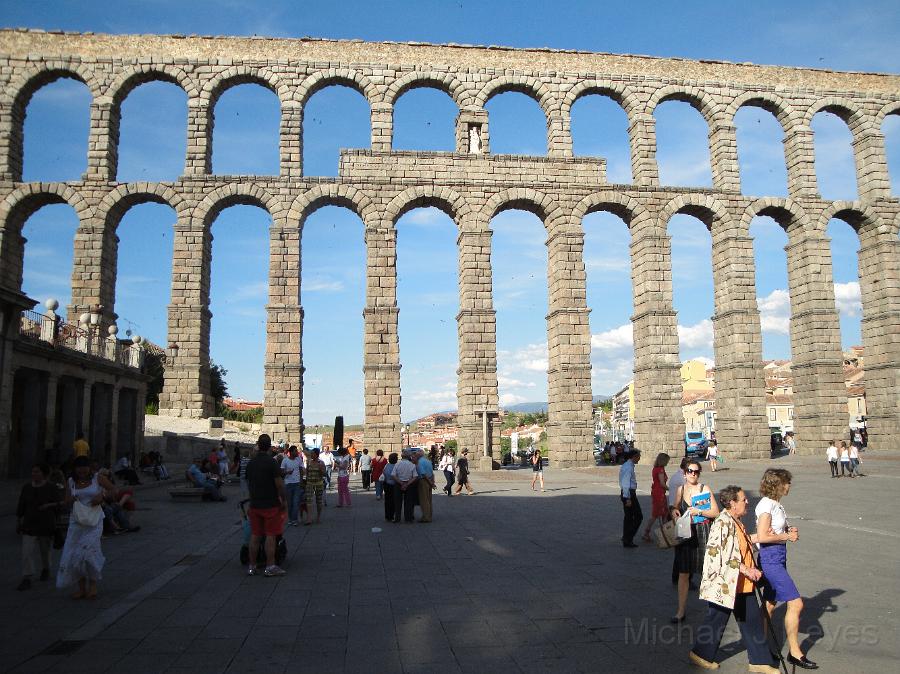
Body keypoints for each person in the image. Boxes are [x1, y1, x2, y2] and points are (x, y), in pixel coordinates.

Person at [689, 485, 779, 674]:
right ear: (732, 503)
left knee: (751, 621)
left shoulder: (736, 521)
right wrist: (747, 569)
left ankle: (759, 661)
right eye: (743, 499)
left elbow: (742, 543)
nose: (747, 501)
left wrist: (764, 536)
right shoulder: (723, 522)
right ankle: (700, 654)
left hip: (740, 583)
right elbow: (718, 554)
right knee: (716, 619)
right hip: (727, 583)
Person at [755, 469, 817, 670]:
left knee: (770, 603)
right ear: (778, 484)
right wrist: (785, 537)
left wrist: (787, 531)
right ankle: (794, 652)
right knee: (796, 604)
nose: (789, 486)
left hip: (778, 557)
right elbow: (763, 537)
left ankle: (761, 646)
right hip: (771, 558)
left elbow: (772, 531)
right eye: (787, 482)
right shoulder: (766, 505)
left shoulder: (775, 504)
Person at [57, 456, 117, 599]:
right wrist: (70, 500)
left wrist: (102, 496)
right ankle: (81, 588)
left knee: (88, 552)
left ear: (89, 468)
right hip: (77, 522)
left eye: (84, 466)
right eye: (79, 467)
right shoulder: (71, 481)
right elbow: (66, 501)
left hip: (94, 521)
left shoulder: (98, 478)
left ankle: (93, 585)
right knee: (75, 555)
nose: (82, 470)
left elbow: (113, 490)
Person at [671, 459, 718, 622]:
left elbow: (715, 512)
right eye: (690, 471)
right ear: (684, 473)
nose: (693, 474)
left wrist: (700, 511)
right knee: (683, 573)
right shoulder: (680, 489)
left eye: (696, 472)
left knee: (707, 572)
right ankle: (681, 610)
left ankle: (712, 610)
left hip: (703, 532)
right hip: (685, 534)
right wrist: (674, 512)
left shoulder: (705, 489)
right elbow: (675, 507)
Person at [244, 434, 287, 576]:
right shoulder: (271, 462)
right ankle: (270, 566)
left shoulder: (251, 463)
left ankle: (252, 566)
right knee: (270, 535)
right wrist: (283, 500)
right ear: (269, 446)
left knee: (255, 535)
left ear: (258, 444)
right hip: (270, 504)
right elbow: (279, 484)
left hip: (255, 504)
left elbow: (248, 484)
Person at [17, 464, 62, 591]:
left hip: (45, 523)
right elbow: (22, 504)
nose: (34, 474)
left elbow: (59, 504)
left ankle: (46, 568)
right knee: (26, 551)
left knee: (44, 550)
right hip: (29, 524)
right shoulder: (27, 487)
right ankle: (27, 576)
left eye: (37, 472)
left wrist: (48, 506)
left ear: (44, 474)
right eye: (33, 472)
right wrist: (18, 520)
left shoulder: (51, 488)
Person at [642, 452, 669, 543]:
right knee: (657, 514)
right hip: (659, 492)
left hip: (657, 491)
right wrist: (670, 489)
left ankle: (664, 532)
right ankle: (650, 532)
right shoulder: (660, 470)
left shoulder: (655, 468)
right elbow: (662, 483)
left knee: (663, 513)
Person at [618, 449, 642, 548]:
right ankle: (628, 537)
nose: (639, 458)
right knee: (638, 516)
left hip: (627, 493)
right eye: (638, 456)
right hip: (629, 494)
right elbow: (626, 483)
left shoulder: (628, 466)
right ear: (634, 457)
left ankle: (626, 538)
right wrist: (627, 498)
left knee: (628, 518)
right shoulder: (628, 467)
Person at [281, 445, 304, 526]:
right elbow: (281, 472)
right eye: (295, 451)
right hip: (288, 484)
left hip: (297, 483)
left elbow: (301, 470)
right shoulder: (285, 460)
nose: (297, 452)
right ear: (290, 452)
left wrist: (301, 480)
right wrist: (287, 472)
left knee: (296, 502)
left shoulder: (299, 459)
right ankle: (291, 519)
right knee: (290, 503)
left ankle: (294, 519)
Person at [393, 450, 418, 523]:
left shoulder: (397, 464)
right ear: (409, 457)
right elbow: (415, 476)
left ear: (402, 456)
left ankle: (397, 518)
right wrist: (407, 484)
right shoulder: (412, 465)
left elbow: (393, 475)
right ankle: (408, 518)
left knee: (397, 502)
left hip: (398, 484)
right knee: (408, 502)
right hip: (409, 484)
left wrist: (401, 483)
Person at [303, 448, 325, 525]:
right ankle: (309, 518)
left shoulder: (321, 463)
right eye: (311, 453)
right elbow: (307, 472)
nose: (311, 455)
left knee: (318, 501)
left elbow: (324, 474)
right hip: (309, 483)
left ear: (316, 454)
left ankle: (318, 516)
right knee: (309, 500)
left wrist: (320, 470)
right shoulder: (308, 462)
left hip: (319, 483)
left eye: (312, 453)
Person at [415, 448, 435, 523]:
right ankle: (429, 515)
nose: (415, 456)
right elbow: (432, 473)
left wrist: (430, 482)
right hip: (430, 480)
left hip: (424, 481)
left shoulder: (419, 462)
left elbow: (423, 474)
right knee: (429, 499)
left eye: (416, 454)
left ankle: (426, 517)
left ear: (419, 455)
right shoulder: (428, 461)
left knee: (424, 500)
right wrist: (432, 482)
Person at [382, 452, 398, 521]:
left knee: (387, 500)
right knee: (394, 501)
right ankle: (393, 515)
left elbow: (384, 472)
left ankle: (387, 515)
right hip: (394, 485)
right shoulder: (396, 466)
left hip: (387, 484)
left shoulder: (387, 465)